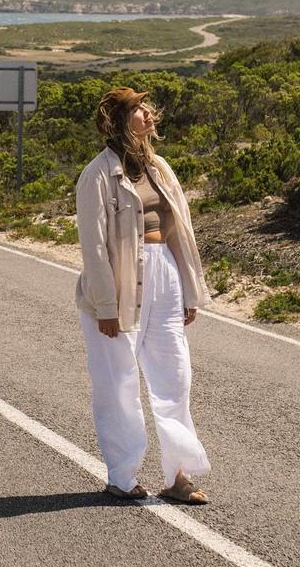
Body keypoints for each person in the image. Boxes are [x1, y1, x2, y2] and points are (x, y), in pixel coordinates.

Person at [75, 87, 212, 503]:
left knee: (175, 374)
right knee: (118, 380)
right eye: (139, 109)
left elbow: (180, 232)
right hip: (117, 283)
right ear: (119, 121)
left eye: (147, 108)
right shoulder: (97, 174)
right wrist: (104, 304)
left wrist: (187, 290)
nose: (150, 114)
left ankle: (179, 475)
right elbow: (93, 246)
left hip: (164, 274)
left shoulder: (160, 168)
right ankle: (122, 475)